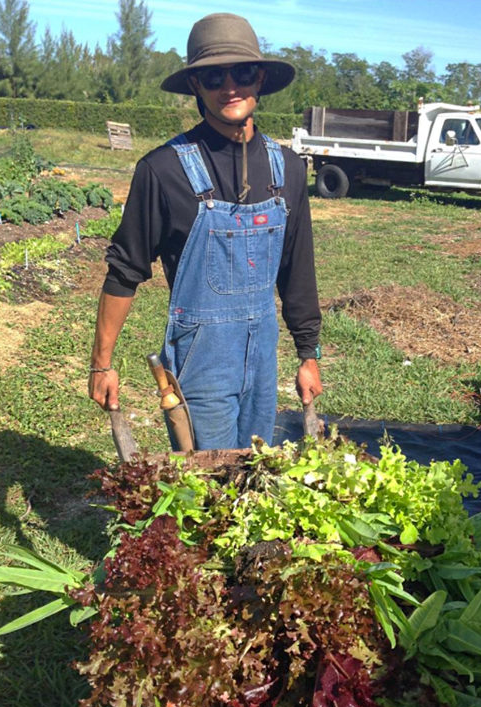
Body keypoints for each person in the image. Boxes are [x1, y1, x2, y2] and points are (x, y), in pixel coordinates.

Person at [88, 12, 322, 450]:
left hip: (262, 358)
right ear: (196, 86)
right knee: (208, 482)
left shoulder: (288, 170)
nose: (229, 86)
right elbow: (125, 269)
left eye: (243, 72)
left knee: (256, 473)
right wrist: (102, 364)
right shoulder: (163, 170)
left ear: (261, 78)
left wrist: (308, 355)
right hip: (202, 361)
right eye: (214, 76)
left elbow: (297, 271)